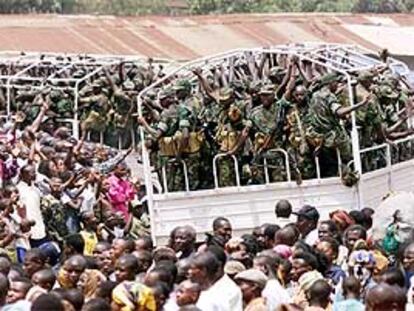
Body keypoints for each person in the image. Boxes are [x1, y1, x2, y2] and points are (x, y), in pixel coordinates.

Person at [17, 165, 47, 248]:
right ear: (24, 174)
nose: (35, 174)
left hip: (39, 224)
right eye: (32, 172)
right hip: (28, 228)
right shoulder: (19, 190)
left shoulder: (36, 188)